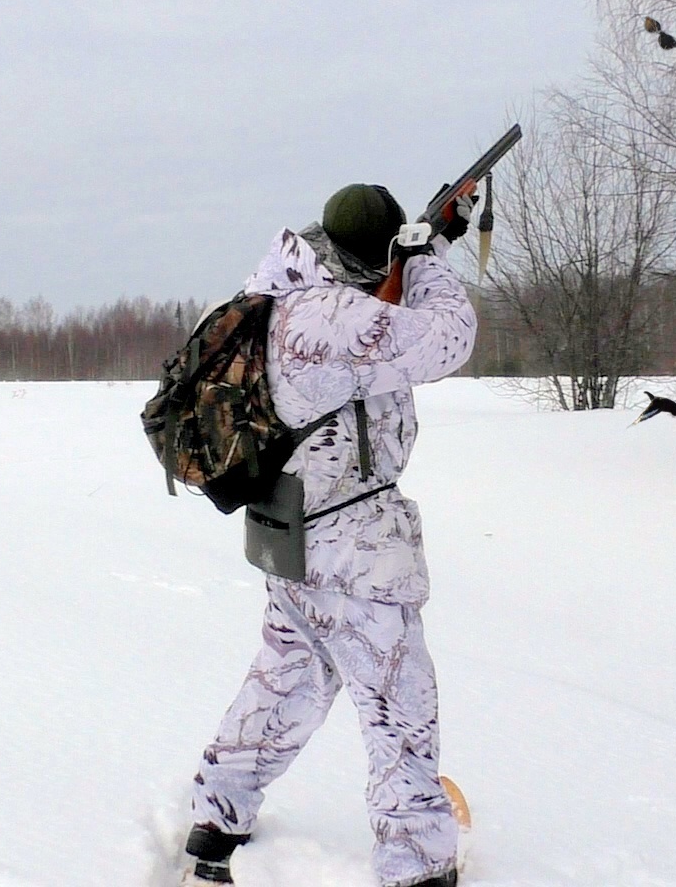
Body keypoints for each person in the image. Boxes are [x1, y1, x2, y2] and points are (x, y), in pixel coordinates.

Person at [182, 183, 477, 887]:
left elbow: (380, 323)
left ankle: (217, 816)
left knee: (285, 682)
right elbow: (446, 337)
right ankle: (416, 864)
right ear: (369, 259)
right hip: (353, 548)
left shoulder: (286, 296)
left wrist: (430, 241)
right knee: (398, 707)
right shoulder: (329, 317)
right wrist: (428, 263)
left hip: (296, 537)